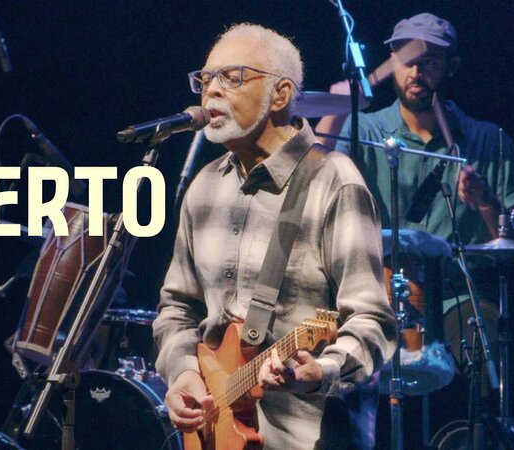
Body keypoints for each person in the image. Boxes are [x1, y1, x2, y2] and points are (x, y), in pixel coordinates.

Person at [152, 23, 396, 449]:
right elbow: (177, 308)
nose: (211, 91)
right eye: (205, 80)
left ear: (280, 95)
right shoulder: (204, 187)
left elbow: (372, 320)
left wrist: (320, 371)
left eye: (231, 77)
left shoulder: (333, 181)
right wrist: (184, 373)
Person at [316, 13, 514, 371]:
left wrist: (486, 203)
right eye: (407, 61)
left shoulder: (487, 141)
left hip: (457, 296)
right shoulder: (364, 132)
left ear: (452, 67)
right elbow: (310, 182)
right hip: (375, 294)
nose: (416, 72)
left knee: (484, 338)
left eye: (429, 62)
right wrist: (336, 113)